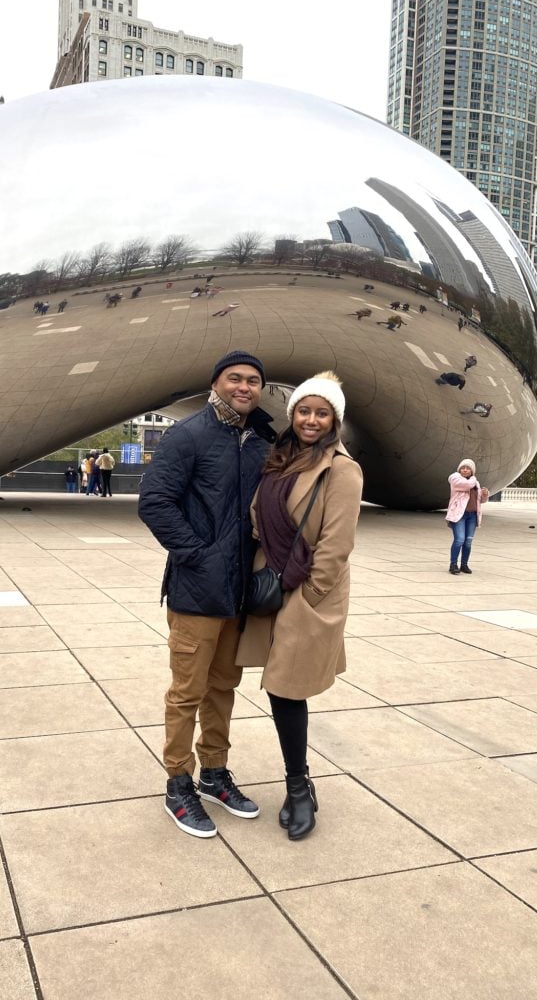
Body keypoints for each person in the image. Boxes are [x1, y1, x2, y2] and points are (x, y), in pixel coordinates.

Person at [138, 350, 276, 838]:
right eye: (235, 378)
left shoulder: (260, 438)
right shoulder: (188, 435)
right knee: (187, 692)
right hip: (196, 592)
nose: (245, 387)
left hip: (238, 595)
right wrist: (199, 555)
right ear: (215, 383)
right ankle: (179, 782)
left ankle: (215, 774)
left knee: (223, 689)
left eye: (253, 380)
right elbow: (154, 503)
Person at [237, 372, 362, 841]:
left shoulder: (341, 469)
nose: (311, 420)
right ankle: (298, 784)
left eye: (322, 412)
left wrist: (309, 593)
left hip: (308, 591)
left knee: (288, 688)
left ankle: (298, 787)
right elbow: (257, 517)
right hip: (272, 580)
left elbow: (336, 542)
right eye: (304, 411)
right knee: (278, 688)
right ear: (294, 416)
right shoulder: (280, 460)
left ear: (335, 420)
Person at [445, 459, 489, 574]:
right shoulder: (455, 478)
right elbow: (467, 485)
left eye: (468, 468)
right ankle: (453, 564)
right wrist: (474, 478)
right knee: (459, 539)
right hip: (459, 515)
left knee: (468, 542)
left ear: (472, 470)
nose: (465, 470)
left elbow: (480, 500)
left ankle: (464, 564)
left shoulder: (475, 483)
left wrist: (485, 494)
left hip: (472, 515)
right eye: (463, 468)